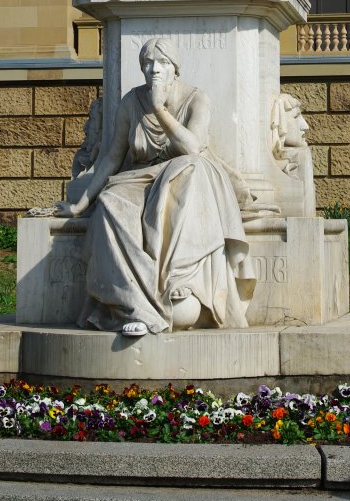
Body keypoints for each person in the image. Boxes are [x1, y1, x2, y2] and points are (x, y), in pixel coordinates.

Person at [56, 37, 254, 337]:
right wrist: (81, 203)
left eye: (162, 63)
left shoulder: (196, 98)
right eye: (147, 64)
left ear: (175, 68)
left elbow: (191, 147)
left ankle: (179, 282)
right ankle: (134, 305)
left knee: (189, 172)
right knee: (110, 203)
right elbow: (112, 157)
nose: (154, 70)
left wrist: (160, 109)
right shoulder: (131, 101)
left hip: (183, 170)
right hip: (139, 178)